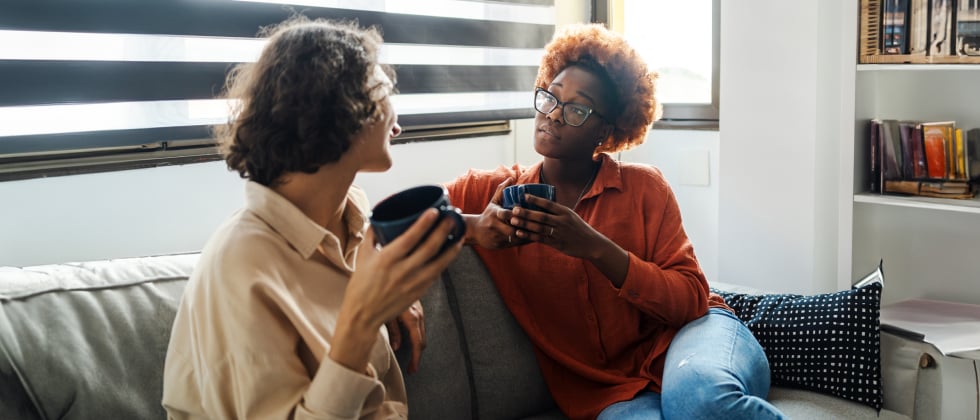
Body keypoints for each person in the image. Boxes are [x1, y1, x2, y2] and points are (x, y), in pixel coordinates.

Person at [445, 24, 786, 420]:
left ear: (604, 131)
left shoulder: (644, 188)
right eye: (550, 97)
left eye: (576, 109)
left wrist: (596, 248)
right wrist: (473, 228)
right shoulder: (494, 193)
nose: (553, 115)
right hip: (608, 393)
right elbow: (395, 215)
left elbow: (691, 299)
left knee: (697, 402)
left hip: (694, 340)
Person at [162, 17, 462, 419]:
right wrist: (362, 319)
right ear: (342, 109)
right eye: (385, 91)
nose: (396, 116)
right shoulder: (240, 266)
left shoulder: (349, 214)